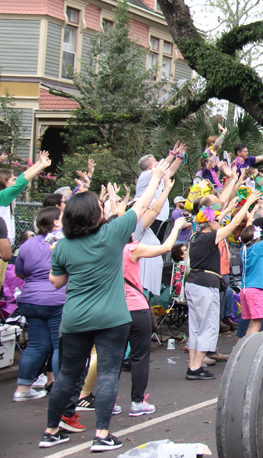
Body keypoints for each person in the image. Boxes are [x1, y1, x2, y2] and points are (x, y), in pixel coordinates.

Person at [40, 159, 166, 451]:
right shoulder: (112, 235)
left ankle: (50, 431)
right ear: (97, 214)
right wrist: (156, 178)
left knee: (68, 375)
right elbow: (140, 207)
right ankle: (101, 435)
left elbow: (56, 282)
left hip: (74, 318)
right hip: (111, 316)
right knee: (108, 373)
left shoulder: (62, 246)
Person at [183, 191, 258, 380]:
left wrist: (230, 207)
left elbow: (220, 219)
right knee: (208, 324)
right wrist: (247, 203)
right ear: (210, 223)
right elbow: (232, 224)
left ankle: (193, 365)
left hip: (192, 283)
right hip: (205, 284)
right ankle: (196, 365)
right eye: (216, 220)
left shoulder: (195, 236)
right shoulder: (211, 237)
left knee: (195, 326)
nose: (219, 222)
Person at [122, 210, 187, 418]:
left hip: (114, 309)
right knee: (140, 357)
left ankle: (109, 402)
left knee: (111, 359)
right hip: (135, 307)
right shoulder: (131, 249)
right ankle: (137, 402)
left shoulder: (102, 249)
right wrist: (176, 227)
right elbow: (166, 248)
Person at [12, 208, 65, 403]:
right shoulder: (65, 241)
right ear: (56, 222)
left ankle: (22, 389)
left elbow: (20, 272)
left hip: (30, 299)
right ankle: (63, 391)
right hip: (56, 299)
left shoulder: (27, 244)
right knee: (61, 345)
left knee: (36, 345)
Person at [134, 143, 186, 242]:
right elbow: (164, 166)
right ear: (150, 166)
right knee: (147, 243)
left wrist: (179, 157)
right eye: (156, 162)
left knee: (157, 243)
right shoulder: (146, 175)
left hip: (160, 216)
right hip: (148, 215)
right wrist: (173, 153)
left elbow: (170, 171)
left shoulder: (157, 175)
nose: (159, 163)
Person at [0, 151, 53, 243]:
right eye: (13, 180)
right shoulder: (3, 195)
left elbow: (21, 178)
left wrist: (39, 163)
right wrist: (41, 166)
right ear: (4, 182)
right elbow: (22, 182)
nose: (15, 182)